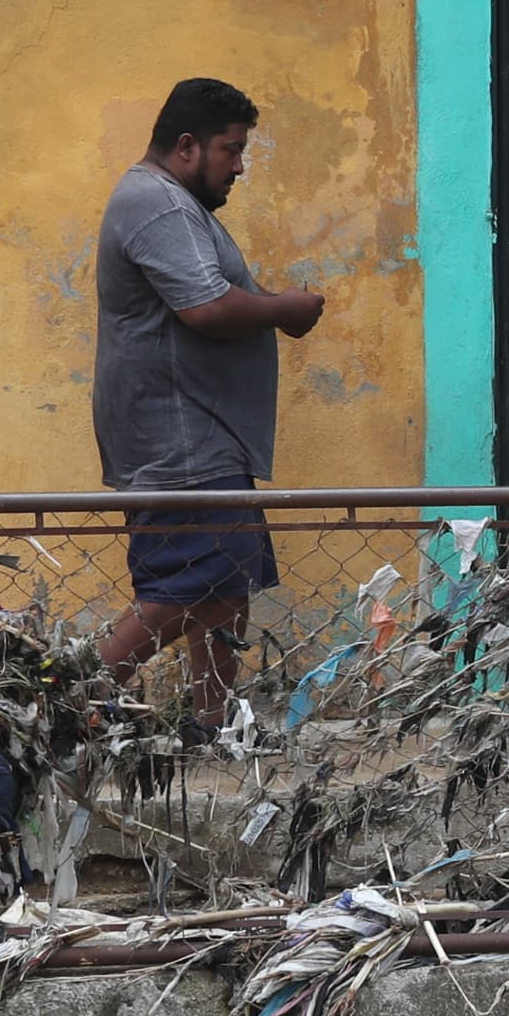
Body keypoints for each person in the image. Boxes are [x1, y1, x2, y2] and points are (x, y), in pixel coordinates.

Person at [90, 77, 325, 727]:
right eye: (232, 149)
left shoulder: (168, 205)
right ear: (187, 146)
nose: (241, 165)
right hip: (178, 440)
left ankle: (213, 722)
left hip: (205, 435)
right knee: (182, 584)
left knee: (227, 579)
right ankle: (74, 697)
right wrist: (286, 308)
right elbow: (208, 307)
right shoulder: (157, 203)